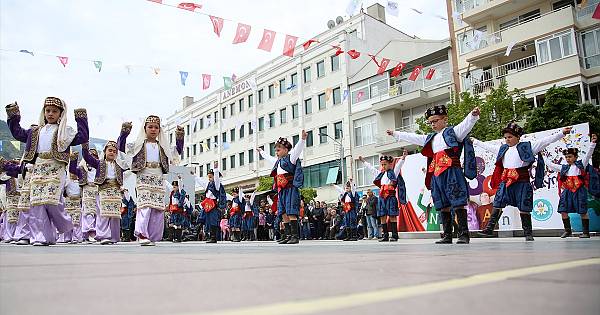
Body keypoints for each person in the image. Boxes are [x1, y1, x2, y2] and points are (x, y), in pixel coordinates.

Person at [387, 104, 480, 244]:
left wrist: (472, 116)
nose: (432, 124)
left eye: (435, 121)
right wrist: (396, 133)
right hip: (437, 174)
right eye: (430, 122)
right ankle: (447, 235)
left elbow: (465, 125)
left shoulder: (453, 132)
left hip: (452, 172)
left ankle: (463, 234)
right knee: (442, 205)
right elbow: (414, 137)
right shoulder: (431, 138)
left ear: (445, 119)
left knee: (458, 202)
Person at [5, 98, 89, 246]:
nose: (50, 114)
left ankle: (65, 224)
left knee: (51, 201)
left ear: (61, 114)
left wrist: (81, 118)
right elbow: (17, 133)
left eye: (54, 111)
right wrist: (13, 116)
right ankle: (41, 237)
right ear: (43, 112)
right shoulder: (35, 131)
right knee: (37, 203)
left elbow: (82, 137)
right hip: (38, 167)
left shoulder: (65, 131)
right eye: (48, 110)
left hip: (56, 168)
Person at [473, 122, 570, 241]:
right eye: (505, 137)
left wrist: (561, 133)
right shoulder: (503, 149)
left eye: (510, 137)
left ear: (518, 137)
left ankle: (528, 233)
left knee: (524, 207)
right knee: (498, 203)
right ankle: (489, 229)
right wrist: (476, 141)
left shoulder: (527, 147)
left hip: (521, 182)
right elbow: (490, 147)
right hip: (506, 181)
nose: (507, 139)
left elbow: (545, 141)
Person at [124, 115, 184, 246]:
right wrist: (124, 132)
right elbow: (121, 148)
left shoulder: (163, 146)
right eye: (150, 127)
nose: (153, 129)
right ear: (145, 128)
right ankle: (142, 233)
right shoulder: (138, 145)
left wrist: (180, 134)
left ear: (159, 130)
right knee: (145, 206)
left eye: (156, 127)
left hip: (158, 177)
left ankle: (152, 235)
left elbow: (178, 151)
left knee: (156, 208)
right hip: (144, 176)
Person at [81, 122, 130, 245]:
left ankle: (113, 237)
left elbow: (122, 148)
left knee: (114, 215)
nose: (112, 152)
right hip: (103, 190)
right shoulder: (99, 163)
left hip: (115, 190)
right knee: (103, 213)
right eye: (110, 150)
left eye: (114, 151)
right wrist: (84, 144)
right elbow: (87, 157)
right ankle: (103, 236)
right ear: (105, 151)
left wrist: (124, 133)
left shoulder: (119, 165)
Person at [258, 131, 307, 245]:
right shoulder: (277, 162)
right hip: (281, 190)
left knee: (291, 212)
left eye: (278, 150)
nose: (276, 152)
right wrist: (262, 152)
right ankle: (288, 235)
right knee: (283, 212)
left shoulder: (291, 158)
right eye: (276, 150)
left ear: (286, 149)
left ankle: (295, 236)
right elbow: (269, 158)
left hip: (290, 189)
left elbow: (297, 149)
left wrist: (302, 139)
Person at [544, 134, 597, 238]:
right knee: (563, 210)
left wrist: (593, 143)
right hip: (567, 191)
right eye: (566, 157)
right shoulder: (563, 168)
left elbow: (588, 155)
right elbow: (551, 165)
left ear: (575, 157)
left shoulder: (581, 165)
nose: (568, 159)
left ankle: (586, 233)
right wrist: (543, 156)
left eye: (570, 156)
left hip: (579, 191)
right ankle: (568, 231)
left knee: (583, 211)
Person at [358, 152, 406, 242]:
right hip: (381, 198)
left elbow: (399, 166)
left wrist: (403, 158)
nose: (383, 166)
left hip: (390, 197)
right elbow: (371, 169)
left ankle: (395, 235)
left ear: (390, 164)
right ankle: (385, 235)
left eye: (385, 164)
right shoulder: (380, 174)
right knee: (382, 216)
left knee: (392, 215)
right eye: (382, 165)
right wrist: (363, 161)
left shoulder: (393, 173)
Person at [76, 147, 100, 244]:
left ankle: (97, 232)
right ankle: (90, 233)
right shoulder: (82, 168)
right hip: (87, 190)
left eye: (94, 155)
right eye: (91, 155)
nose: (92, 157)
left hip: (97, 190)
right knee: (89, 212)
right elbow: (73, 171)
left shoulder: (100, 167)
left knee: (97, 212)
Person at [199, 162, 226, 243]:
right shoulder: (208, 184)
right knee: (208, 221)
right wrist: (194, 176)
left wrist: (216, 169)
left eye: (211, 176)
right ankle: (209, 236)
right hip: (207, 205)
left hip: (213, 205)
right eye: (209, 177)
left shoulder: (217, 185)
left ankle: (213, 237)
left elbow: (217, 178)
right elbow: (201, 182)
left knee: (213, 220)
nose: (209, 178)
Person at [63, 156, 83, 244]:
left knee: (76, 222)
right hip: (68, 202)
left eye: (74, 173)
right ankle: (67, 237)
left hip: (77, 203)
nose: (73, 175)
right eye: (71, 173)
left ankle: (76, 237)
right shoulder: (67, 182)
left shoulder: (80, 182)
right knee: (68, 221)